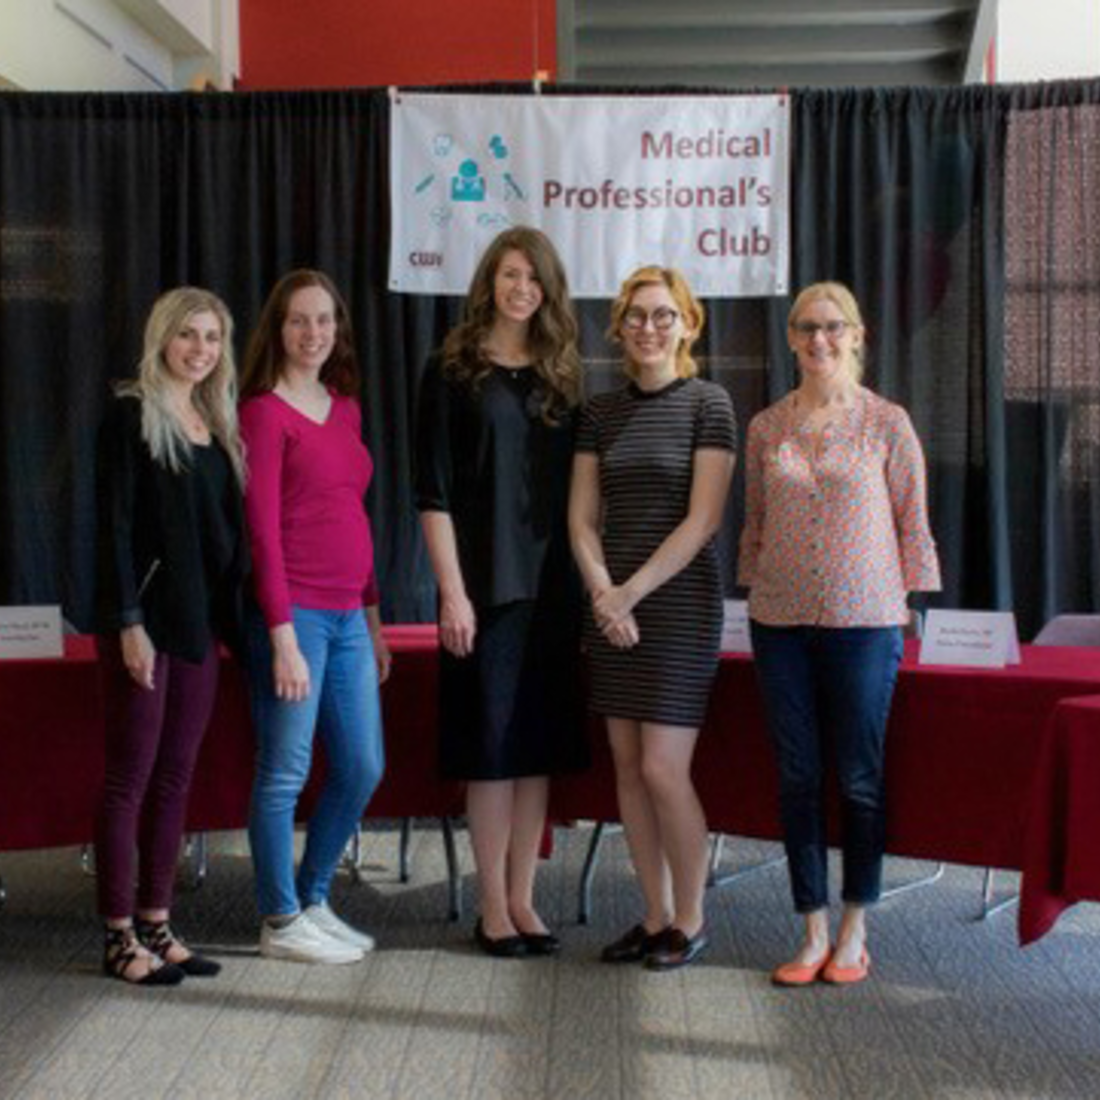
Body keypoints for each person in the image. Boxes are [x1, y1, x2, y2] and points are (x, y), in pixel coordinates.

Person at [738, 281, 941, 987]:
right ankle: (811, 928)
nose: (818, 340)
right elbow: (756, 523)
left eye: (832, 327)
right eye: (805, 328)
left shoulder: (888, 423)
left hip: (866, 623)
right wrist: (756, 587)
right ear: (791, 338)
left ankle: (855, 927)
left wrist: (901, 604)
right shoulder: (766, 427)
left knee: (857, 777)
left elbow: (913, 523)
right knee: (796, 776)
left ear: (856, 335)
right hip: (780, 623)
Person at [415, 226, 588, 958]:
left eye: (535, 278)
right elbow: (433, 493)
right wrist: (451, 593)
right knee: (490, 750)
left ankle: (524, 898)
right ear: (489, 280)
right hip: (482, 591)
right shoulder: (450, 370)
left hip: (553, 590)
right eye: (511, 274)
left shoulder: (560, 374)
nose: (522, 288)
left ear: (548, 291)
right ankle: (491, 905)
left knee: (535, 750)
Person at [569, 266, 736, 971]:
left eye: (664, 315)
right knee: (629, 770)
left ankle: (691, 919)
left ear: (687, 324)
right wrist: (604, 592)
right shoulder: (598, 413)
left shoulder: (709, 403)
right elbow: (581, 520)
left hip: (675, 608)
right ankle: (654, 914)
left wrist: (627, 594)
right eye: (636, 316)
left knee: (666, 769)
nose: (648, 327)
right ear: (618, 328)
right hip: (612, 608)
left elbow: (702, 522)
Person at [96, 286, 249, 985]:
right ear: (163, 338)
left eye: (212, 338)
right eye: (188, 335)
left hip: (198, 634)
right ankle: (118, 936)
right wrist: (128, 622)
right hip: (145, 630)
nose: (200, 349)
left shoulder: (216, 425)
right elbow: (114, 530)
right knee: (130, 779)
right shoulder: (132, 415)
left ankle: (157, 923)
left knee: (175, 780)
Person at [240, 269, 390, 965]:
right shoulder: (263, 412)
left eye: (324, 320)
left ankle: (312, 897)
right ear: (278, 328)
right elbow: (262, 532)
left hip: (347, 616)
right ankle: (279, 918)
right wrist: (280, 638)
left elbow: (354, 515)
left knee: (362, 764)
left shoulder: (347, 408)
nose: (313, 333)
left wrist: (373, 618)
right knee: (284, 771)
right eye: (299, 321)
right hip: (292, 615)